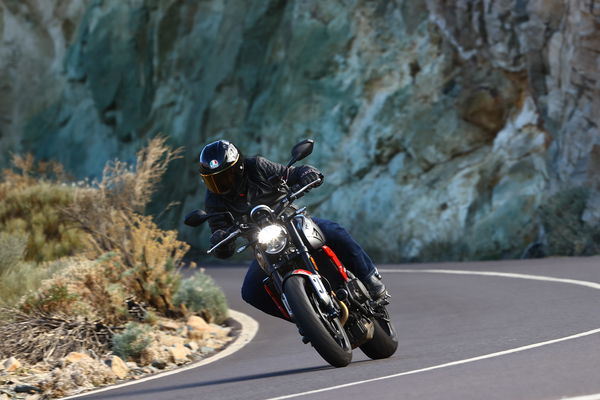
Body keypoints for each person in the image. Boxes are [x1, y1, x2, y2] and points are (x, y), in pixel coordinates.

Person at [196, 139, 386, 320]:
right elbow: (220, 235)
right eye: (215, 180)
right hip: (262, 243)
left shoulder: (257, 166)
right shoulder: (214, 200)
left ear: (239, 167)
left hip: (290, 220)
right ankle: (302, 317)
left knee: (333, 230)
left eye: (226, 176)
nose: (222, 183)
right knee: (251, 292)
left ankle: (370, 279)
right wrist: (219, 239)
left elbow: (290, 173)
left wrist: (306, 173)